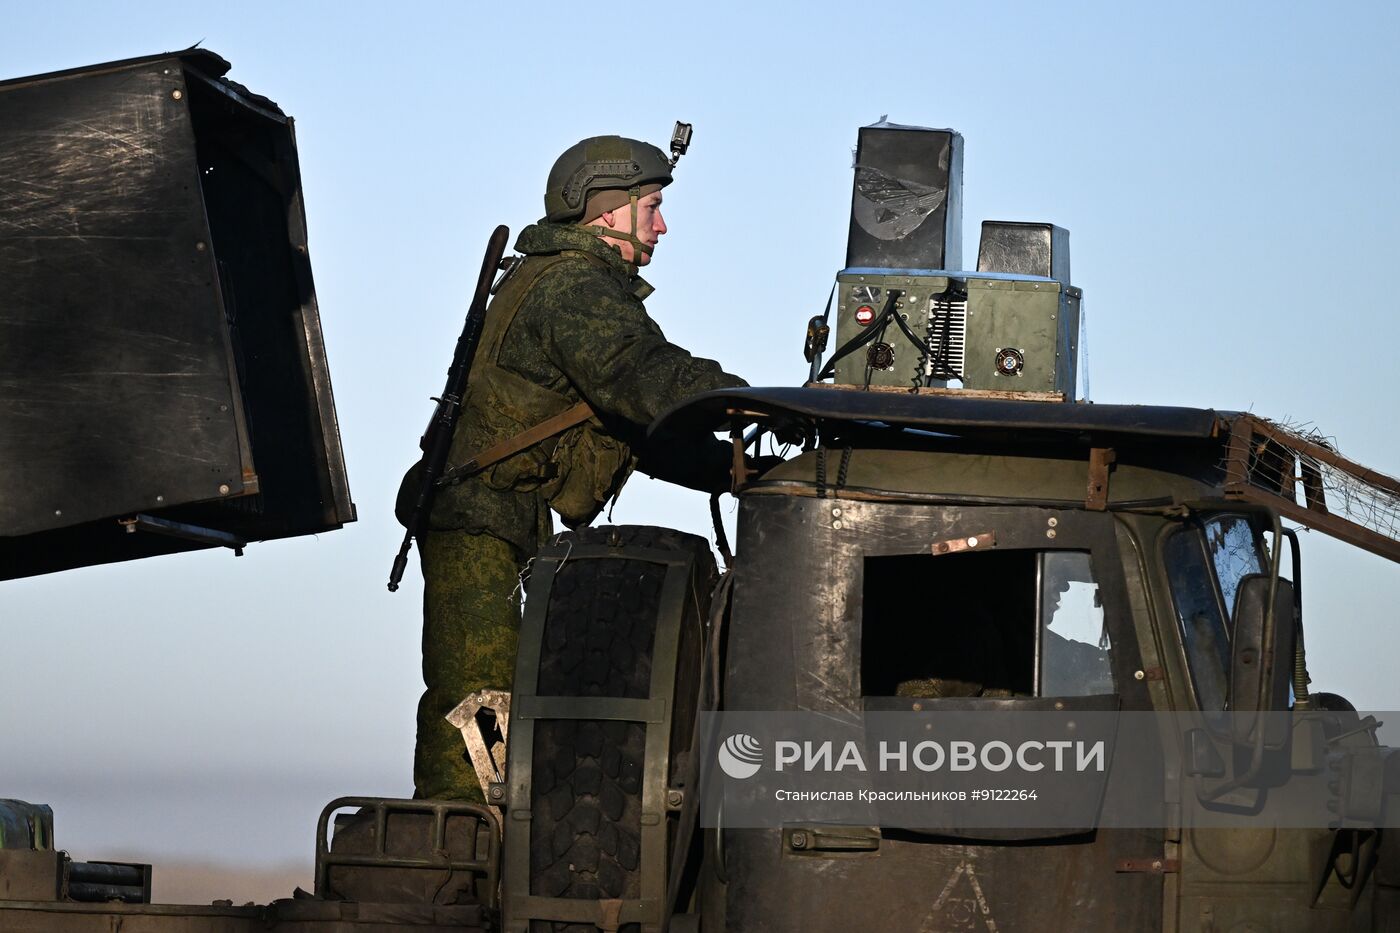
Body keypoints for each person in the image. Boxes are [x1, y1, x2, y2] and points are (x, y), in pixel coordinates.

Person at [405, 133, 747, 801]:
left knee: (505, 698)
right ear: (607, 209)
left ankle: (481, 847)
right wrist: (744, 402)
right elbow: (640, 375)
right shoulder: (572, 284)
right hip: (477, 515)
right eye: (651, 206)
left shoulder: (579, 283)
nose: (663, 223)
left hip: (503, 517)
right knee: (481, 696)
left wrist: (739, 470)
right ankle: (454, 850)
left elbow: (633, 425)